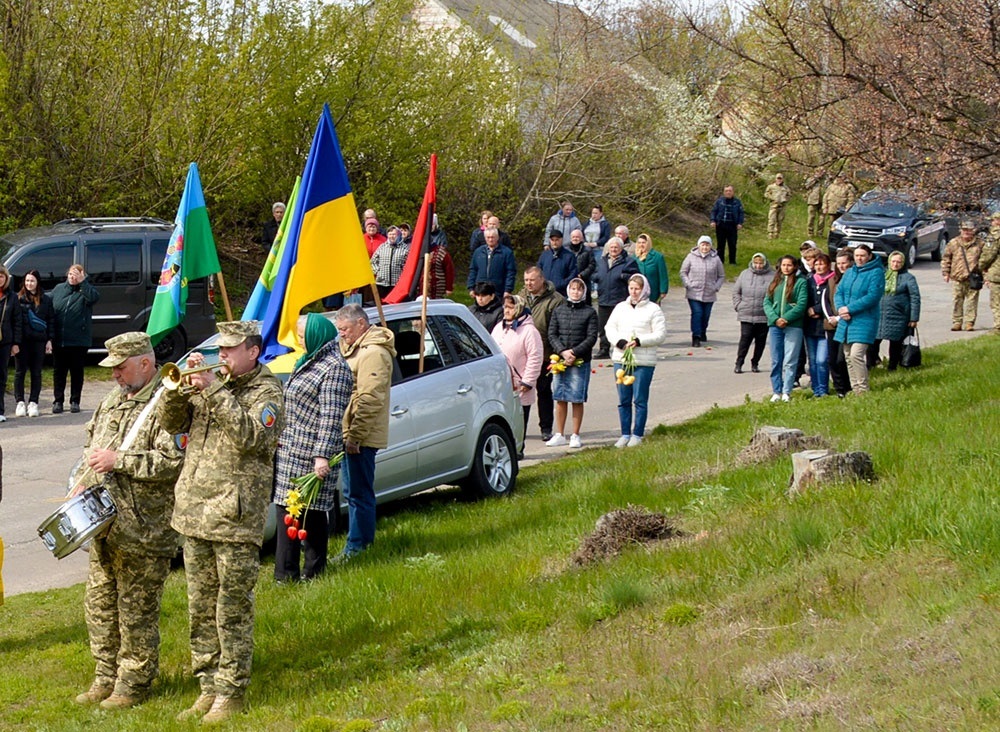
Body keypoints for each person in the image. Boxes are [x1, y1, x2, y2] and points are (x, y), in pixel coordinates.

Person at [159, 320, 284, 724]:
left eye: (230, 350)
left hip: (234, 517)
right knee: (199, 608)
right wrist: (179, 390)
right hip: (195, 512)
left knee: (230, 609)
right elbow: (171, 424)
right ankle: (208, 684)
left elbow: (252, 437)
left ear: (253, 351)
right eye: (220, 350)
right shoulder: (213, 386)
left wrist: (212, 387)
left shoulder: (267, 392)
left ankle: (231, 691)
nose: (223, 356)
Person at [70, 332, 184, 710]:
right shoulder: (110, 402)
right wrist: (80, 483)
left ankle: (133, 684)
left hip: (145, 529)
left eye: (120, 367)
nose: (115, 375)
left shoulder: (167, 404)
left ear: (145, 364)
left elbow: (172, 462)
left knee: (136, 612)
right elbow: (91, 449)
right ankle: (105, 677)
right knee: (99, 607)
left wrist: (120, 461)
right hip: (105, 527)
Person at [273, 314, 353, 582]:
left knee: (313, 514)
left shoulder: (334, 368)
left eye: (302, 333)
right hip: (290, 450)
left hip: (312, 454)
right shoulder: (308, 360)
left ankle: (314, 572)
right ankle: (285, 575)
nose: (297, 338)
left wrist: (322, 457)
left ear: (317, 334)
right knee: (287, 511)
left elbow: (331, 417)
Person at [335, 304, 394, 559]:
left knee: (359, 492)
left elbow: (370, 398)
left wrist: (355, 436)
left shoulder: (372, 353)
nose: (342, 335)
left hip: (360, 435)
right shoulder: (356, 349)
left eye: (345, 329)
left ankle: (358, 547)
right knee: (353, 492)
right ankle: (358, 543)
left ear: (361, 324)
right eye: (339, 330)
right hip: (351, 431)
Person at [605, 274, 667, 447]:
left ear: (644, 289)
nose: (633, 292)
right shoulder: (620, 308)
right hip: (621, 358)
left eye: (637, 289)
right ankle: (624, 433)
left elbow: (660, 334)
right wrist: (619, 342)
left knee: (639, 398)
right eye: (631, 288)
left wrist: (640, 341)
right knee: (623, 399)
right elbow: (610, 328)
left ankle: (637, 433)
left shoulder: (653, 309)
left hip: (643, 361)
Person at [545, 278, 598, 449]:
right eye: (573, 289)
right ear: (568, 290)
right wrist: (562, 351)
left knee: (576, 398)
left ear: (583, 292)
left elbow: (591, 337)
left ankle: (575, 434)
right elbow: (552, 334)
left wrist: (574, 352)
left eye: (579, 289)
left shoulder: (590, 312)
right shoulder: (559, 310)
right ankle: (559, 433)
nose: (576, 292)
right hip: (560, 360)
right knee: (560, 397)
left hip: (579, 360)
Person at [518, 267, 564, 442]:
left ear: (542, 280)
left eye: (532, 280)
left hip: (546, 353)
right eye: (526, 280)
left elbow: (557, 328)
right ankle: (520, 430)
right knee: (523, 392)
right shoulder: (520, 297)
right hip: (524, 355)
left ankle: (546, 428)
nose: (528, 283)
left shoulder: (556, 300)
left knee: (544, 391)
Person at [491, 295, 542, 449]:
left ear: (519, 308)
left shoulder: (529, 331)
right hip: (500, 384)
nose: (507, 310)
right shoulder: (499, 327)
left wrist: (528, 381)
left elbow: (535, 357)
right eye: (505, 307)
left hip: (520, 385)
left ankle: (519, 450)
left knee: (518, 420)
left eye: (511, 307)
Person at [834, 244, 885, 394]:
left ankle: (863, 389)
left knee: (856, 354)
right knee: (848, 355)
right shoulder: (849, 272)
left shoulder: (876, 272)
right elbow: (839, 293)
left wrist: (850, 308)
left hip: (865, 319)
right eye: (857, 256)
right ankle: (855, 388)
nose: (859, 258)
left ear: (869, 256)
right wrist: (841, 309)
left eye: (862, 255)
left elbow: (872, 296)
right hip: (847, 319)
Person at [51, 264, 99, 414]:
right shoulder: (59, 289)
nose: (73, 277)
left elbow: (93, 298)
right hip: (60, 339)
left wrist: (83, 283)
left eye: (77, 275)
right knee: (59, 372)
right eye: (71, 274)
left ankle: (75, 401)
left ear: (82, 276)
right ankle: (58, 401)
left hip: (78, 340)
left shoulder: (86, 291)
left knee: (76, 372)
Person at [763, 255, 808, 402]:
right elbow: (767, 302)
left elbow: (802, 304)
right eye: (784, 265)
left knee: (790, 360)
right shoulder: (775, 282)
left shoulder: (801, 282)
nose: (786, 268)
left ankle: (786, 391)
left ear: (795, 266)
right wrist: (775, 318)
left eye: (789, 265)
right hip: (775, 326)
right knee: (776, 360)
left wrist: (786, 318)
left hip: (793, 326)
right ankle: (776, 390)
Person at [14, 269, 54, 418]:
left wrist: (50, 339)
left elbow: (51, 320)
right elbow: (15, 321)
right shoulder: (18, 298)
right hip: (22, 341)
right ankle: (20, 402)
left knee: (36, 372)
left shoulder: (46, 299)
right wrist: (15, 342)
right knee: (20, 372)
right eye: (27, 281)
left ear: (37, 282)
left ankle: (33, 402)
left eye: (32, 281)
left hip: (39, 341)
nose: (29, 283)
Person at [593, 237, 638, 358]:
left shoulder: (628, 261)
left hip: (619, 300)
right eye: (611, 247)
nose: (613, 249)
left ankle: (623, 348)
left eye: (616, 247)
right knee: (603, 327)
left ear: (621, 248)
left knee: (622, 326)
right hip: (604, 298)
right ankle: (604, 349)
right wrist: (597, 277)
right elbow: (594, 273)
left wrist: (623, 276)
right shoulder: (601, 261)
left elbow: (636, 277)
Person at [876, 251, 921, 370]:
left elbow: (915, 298)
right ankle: (872, 363)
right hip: (879, 314)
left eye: (899, 262)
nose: (895, 264)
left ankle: (892, 366)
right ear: (889, 261)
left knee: (895, 343)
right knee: (873, 341)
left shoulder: (908, 278)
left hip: (899, 316)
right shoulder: (881, 274)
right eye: (893, 261)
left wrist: (913, 318)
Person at [679, 235, 726, 347]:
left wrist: (716, 287)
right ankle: (696, 336)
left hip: (709, 292)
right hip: (694, 292)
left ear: (710, 246)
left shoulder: (716, 258)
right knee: (697, 313)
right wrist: (688, 284)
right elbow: (683, 272)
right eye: (703, 244)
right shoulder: (691, 257)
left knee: (705, 315)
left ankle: (702, 331)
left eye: (707, 245)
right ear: (698, 245)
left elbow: (721, 275)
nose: (705, 247)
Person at [732, 252, 772, 374]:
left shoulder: (772, 275)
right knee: (745, 339)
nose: (758, 266)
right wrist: (738, 306)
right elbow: (736, 292)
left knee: (760, 341)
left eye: (760, 263)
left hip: (764, 315)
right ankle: (739, 363)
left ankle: (755, 363)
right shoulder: (744, 274)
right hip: (746, 314)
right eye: (756, 263)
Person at [941, 219, 984, 331]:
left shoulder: (980, 243)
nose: (967, 232)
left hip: (973, 278)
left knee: (972, 302)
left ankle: (969, 323)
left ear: (973, 231)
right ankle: (957, 322)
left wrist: (985, 275)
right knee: (957, 301)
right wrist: (946, 273)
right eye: (965, 230)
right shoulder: (954, 243)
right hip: (957, 277)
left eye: (969, 230)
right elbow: (946, 258)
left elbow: (984, 260)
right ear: (961, 230)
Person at [804, 253, 835, 395]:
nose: (819, 267)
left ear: (828, 265)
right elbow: (804, 300)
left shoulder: (832, 281)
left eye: (822, 264)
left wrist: (816, 309)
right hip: (810, 326)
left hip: (824, 327)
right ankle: (816, 389)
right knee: (812, 361)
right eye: (816, 264)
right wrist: (808, 310)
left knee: (822, 360)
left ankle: (823, 389)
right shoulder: (809, 280)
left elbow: (831, 302)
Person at [826, 248, 854, 397]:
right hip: (832, 324)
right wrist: (831, 317)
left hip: (848, 323)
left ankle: (849, 387)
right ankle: (839, 389)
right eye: (838, 263)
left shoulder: (855, 279)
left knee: (842, 359)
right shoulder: (832, 279)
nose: (841, 266)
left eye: (844, 263)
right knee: (832, 359)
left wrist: (840, 317)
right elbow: (827, 300)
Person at [467, 227, 517, 298]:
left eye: (493, 237)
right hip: (480, 290)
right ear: (485, 238)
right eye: (488, 237)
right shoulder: (478, 252)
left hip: (498, 291)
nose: (490, 240)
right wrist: (471, 287)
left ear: (497, 237)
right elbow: (473, 270)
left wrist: (508, 290)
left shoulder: (506, 252)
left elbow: (510, 272)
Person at [0, 267, 22, 422]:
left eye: (1, 276)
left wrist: (16, 343)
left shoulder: (12, 297)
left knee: (1, 376)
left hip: (5, 342)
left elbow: (17, 321)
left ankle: (0, 410)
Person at [370, 225, 410, 298]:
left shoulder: (405, 248)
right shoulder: (382, 247)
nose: (392, 236)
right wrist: (377, 271)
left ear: (398, 235)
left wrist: (403, 274)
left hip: (397, 284)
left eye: (394, 234)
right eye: (390, 234)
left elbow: (408, 264)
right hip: (381, 283)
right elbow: (373, 261)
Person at [710, 184, 745, 264]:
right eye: (726, 191)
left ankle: (732, 262)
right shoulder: (719, 201)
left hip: (732, 226)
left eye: (730, 191)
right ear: (724, 192)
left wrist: (740, 223)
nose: (728, 192)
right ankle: (720, 262)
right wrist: (713, 221)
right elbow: (714, 211)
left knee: (732, 244)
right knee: (720, 245)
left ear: (733, 192)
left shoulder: (737, 202)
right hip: (721, 225)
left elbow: (741, 213)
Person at [537, 229, 578, 296]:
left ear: (561, 240)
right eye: (552, 240)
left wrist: (562, 283)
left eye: (557, 240)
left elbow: (573, 274)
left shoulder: (569, 256)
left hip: (562, 293)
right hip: (544, 292)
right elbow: (538, 270)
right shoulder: (544, 255)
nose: (554, 242)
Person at [634, 233, 669, 304]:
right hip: (638, 292)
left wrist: (663, 291)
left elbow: (663, 275)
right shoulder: (634, 257)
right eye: (639, 243)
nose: (641, 245)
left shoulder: (658, 257)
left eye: (644, 243)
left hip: (653, 291)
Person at [982, 211, 1000, 334]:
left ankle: (998, 327)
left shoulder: (995, 235)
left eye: (993, 221)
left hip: (997, 273)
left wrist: (980, 266)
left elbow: (989, 254)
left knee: (996, 302)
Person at [567, 229, 597, 303]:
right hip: (569, 280)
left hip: (584, 280)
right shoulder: (566, 250)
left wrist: (582, 275)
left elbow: (592, 264)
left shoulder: (588, 250)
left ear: (582, 238)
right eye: (573, 237)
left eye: (577, 237)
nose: (575, 238)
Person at [427, 232, 455, 299]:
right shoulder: (419, 252)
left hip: (437, 287)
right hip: (421, 288)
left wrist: (449, 287)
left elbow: (449, 270)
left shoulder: (441, 252)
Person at [764, 173, 792, 239]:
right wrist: (772, 198)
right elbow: (766, 194)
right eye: (778, 178)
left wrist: (785, 199)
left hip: (782, 207)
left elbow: (789, 195)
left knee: (779, 220)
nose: (779, 180)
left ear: (783, 179)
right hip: (773, 206)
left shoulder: (786, 188)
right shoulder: (771, 187)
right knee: (771, 220)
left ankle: (777, 234)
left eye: (780, 178)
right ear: (775, 179)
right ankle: (770, 233)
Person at [803, 168, 826, 238]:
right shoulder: (811, 179)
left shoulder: (825, 180)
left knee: (822, 218)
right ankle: (810, 233)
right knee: (811, 217)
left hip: (823, 201)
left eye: (822, 172)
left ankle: (820, 233)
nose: (821, 173)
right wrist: (816, 179)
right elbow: (807, 186)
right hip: (812, 200)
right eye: (819, 172)